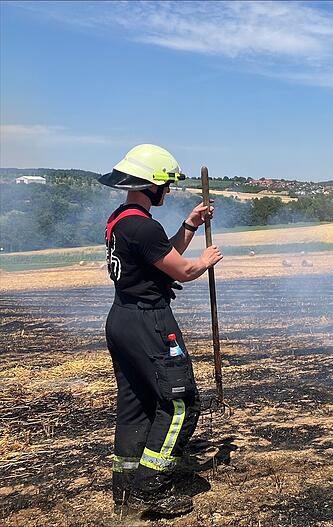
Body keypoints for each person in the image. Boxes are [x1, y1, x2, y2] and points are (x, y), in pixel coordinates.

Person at [98, 144, 223, 517]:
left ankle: (126, 485)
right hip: (149, 321)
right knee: (180, 402)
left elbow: (160, 255)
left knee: (136, 401)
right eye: (165, 186)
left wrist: (189, 225)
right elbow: (181, 270)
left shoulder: (122, 220)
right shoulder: (143, 225)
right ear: (151, 184)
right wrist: (203, 260)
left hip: (122, 318)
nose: (166, 192)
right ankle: (151, 486)